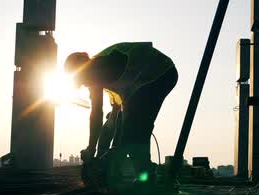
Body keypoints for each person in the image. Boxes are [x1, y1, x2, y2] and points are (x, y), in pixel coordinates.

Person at [64, 42, 177, 185]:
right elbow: (113, 121)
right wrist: (99, 152)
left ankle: (146, 177)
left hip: (160, 73)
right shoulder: (101, 73)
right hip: (143, 82)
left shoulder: (96, 70)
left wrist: (92, 150)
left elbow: (96, 115)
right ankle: (143, 174)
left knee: (135, 130)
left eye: (81, 81)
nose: (85, 85)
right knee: (129, 129)